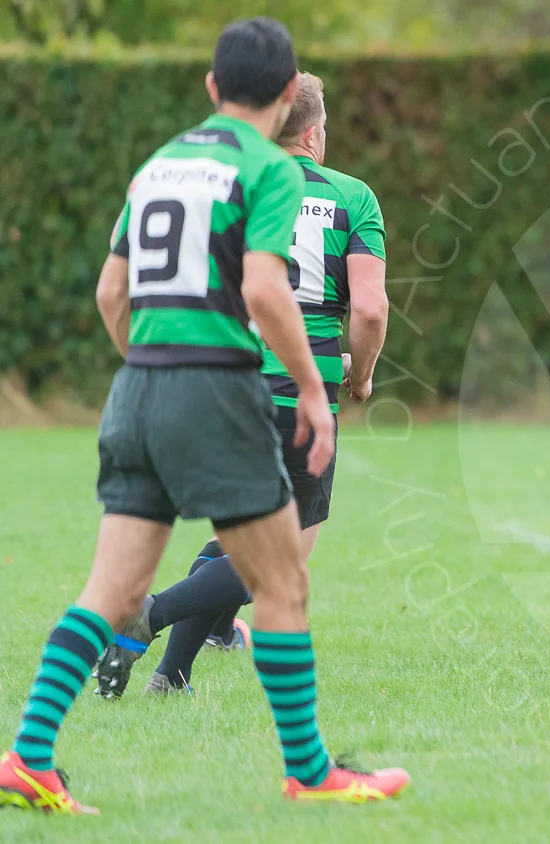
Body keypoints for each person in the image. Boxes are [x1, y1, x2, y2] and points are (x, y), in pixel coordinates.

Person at [0, 20, 407, 814]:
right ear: (293, 96)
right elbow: (263, 290)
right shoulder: (272, 171)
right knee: (283, 579)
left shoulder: (159, 166)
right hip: (217, 391)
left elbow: (110, 296)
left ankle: (27, 759)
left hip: (138, 389)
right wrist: (314, 390)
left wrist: (149, 370)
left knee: (112, 590)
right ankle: (311, 772)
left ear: (212, 90)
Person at [92, 70, 389, 699]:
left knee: (235, 536)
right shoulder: (350, 196)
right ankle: (150, 616)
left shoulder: (228, 184)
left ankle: (175, 674)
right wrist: (359, 377)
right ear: (312, 131)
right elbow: (368, 310)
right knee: (282, 559)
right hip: (297, 390)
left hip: (220, 383)